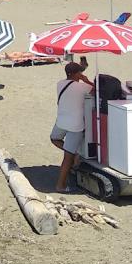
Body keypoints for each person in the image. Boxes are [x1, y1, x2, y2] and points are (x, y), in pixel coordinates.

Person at [51, 61, 94, 193]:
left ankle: (74, 155)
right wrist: (86, 80)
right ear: (76, 74)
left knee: (54, 139)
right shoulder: (83, 87)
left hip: (61, 121)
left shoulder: (60, 84)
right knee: (67, 158)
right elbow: (95, 90)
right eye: (80, 72)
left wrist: (80, 77)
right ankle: (60, 185)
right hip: (75, 124)